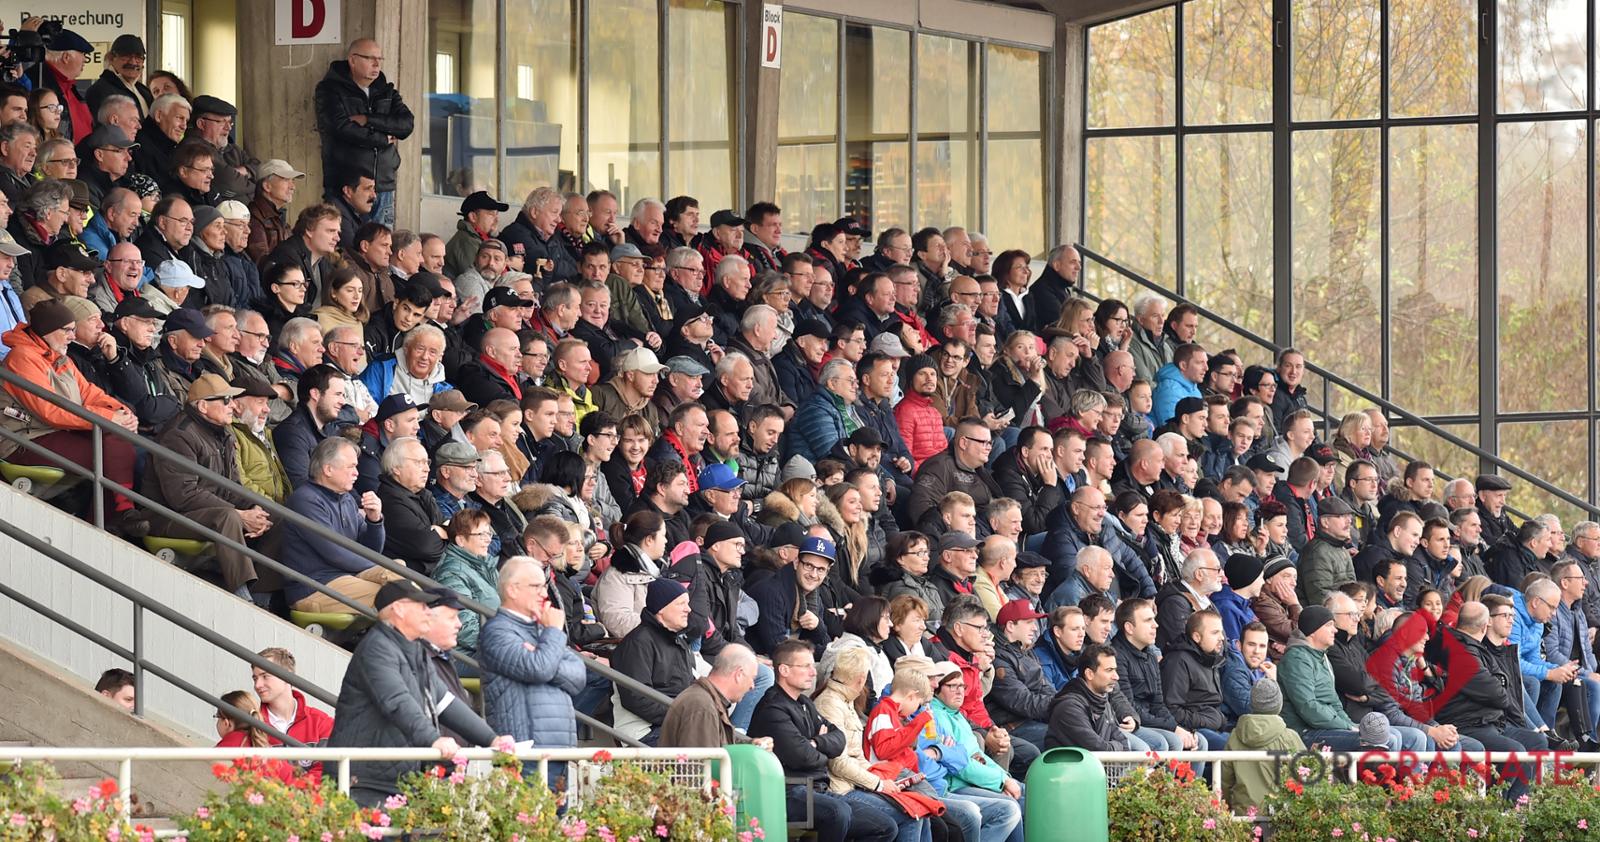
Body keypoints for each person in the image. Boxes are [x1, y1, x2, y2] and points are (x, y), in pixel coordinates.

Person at [326, 581, 503, 807]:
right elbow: (396, 702)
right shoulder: (376, 647)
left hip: (392, 780)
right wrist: (433, 739)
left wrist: (491, 739)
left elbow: (445, 703)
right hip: (364, 781)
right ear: (399, 609)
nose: (428, 612)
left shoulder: (414, 649)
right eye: (421, 606)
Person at [751, 637, 899, 842]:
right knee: (838, 813)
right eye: (806, 666)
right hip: (788, 791)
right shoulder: (773, 708)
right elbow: (803, 757)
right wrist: (822, 750)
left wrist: (816, 743)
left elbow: (838, 738)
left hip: (818, 789)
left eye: (812, 666)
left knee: (885, 827)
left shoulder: (804, 702)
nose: (813, 672)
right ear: (784, 670)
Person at [144, 373, 272, 598]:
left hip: (208, 512)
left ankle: (265, 594)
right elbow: (183, 495)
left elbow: (232, 486)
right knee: (228, 518)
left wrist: (254, 508)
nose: (233, 405)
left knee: (275, 515)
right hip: (167, 517)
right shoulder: (179, 435)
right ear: (203, 406)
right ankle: (243, 597)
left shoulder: (223, 433)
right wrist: (239, 514)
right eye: (226, 400)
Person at [478, 555, 588, 784]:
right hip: (524, 752)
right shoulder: (497, 632)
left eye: (544, 586)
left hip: (558, 749)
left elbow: (578, 677)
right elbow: (539, 670)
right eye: (536, 586)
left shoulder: (544, 629)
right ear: (512, 589)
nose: (544, 593)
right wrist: (552, 638)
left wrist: (544, 655)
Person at [1434, 600, 1548, 800]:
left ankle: (1516, 807)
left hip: (1491, 722)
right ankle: (1496, 807)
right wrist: (1499, 686)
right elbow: (1499, 694)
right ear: (1484, 626)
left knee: (1537, 741)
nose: (1510, 620)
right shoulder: (1460, 652)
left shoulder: (1477, 648)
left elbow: (1501, 687)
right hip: (1467, 724)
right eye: (1506, 616)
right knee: (1514, 751)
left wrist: (1499, 686)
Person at [281, 437, 405, 613]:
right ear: (328, 469)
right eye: (351, 467)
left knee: (398, 567)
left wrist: (374, 520)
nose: (356, 473)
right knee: (392, 594)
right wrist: (381, 569)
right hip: (314, 587)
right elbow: (335, 553)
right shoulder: (305, 500)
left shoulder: (347, 499)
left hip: (348, 576)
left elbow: (372, 550)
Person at [315, 39, 412, 225]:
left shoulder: (387, 91)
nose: (377, 64)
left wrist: (367, 119)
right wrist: (382, 138)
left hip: (382, 186)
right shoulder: (329, 89)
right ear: (353, 60)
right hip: (346, 188)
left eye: (380, 59)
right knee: (344, 240)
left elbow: (406, 124)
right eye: (370, 58)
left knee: (380, 240)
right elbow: (340, 127)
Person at [611, 577, 697, 745]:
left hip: (676, 724)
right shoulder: (637, 643)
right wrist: (681, 715)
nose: (688, 609)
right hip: (644, 731)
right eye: (681, 604)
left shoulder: (679, 642)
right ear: (661, 609)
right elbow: (636, 699)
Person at [661, 644, 773, 750]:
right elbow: (703, 761)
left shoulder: (706, 700)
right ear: (739, 674)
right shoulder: (702, 707)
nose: (752, 686)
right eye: (752, 678)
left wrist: (751, 745)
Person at [1221, 679, 1304, 813]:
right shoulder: (1290, 737)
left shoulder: (1235, 736)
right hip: (1280, 815)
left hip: (1243, 815)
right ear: (1279, 704)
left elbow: (1224, 782)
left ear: (1252, 703)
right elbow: (1307, 777)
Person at [1044, 642, 1130, 752]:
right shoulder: (1070, 708)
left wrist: (1118, 747)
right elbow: (1098, 749)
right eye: (1109, 670)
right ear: (1089, 674)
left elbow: (1122, 741)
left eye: (1115, 670)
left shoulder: (1102, 700)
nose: (1116, 677)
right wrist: (1118, 747)